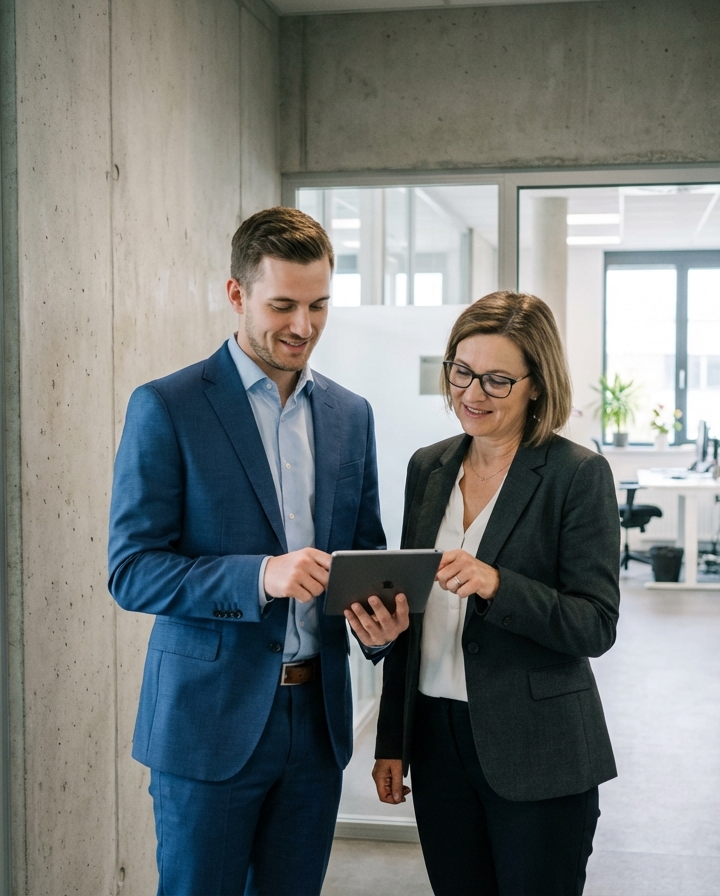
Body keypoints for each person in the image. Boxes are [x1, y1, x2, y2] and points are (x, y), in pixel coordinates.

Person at [108, 206, 409, 896]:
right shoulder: (168, 406)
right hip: (207, 725)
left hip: (318, 725)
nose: (303, 326)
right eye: (283, 305)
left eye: (318, 306)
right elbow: (131, 571)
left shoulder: (350, 415)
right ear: (236, 294)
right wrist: (262, 577)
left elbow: (364, 551)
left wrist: (379, 624)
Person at [372, 291, 621, 896]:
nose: (472, 393)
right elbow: (414, 610)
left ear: (537, 385)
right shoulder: (426, 468)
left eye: (497, 380)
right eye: (461, 371)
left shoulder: (577, 475)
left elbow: (595, 625)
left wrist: (497, 584)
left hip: (539, 748)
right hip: (436, 740)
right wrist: (392, 742)